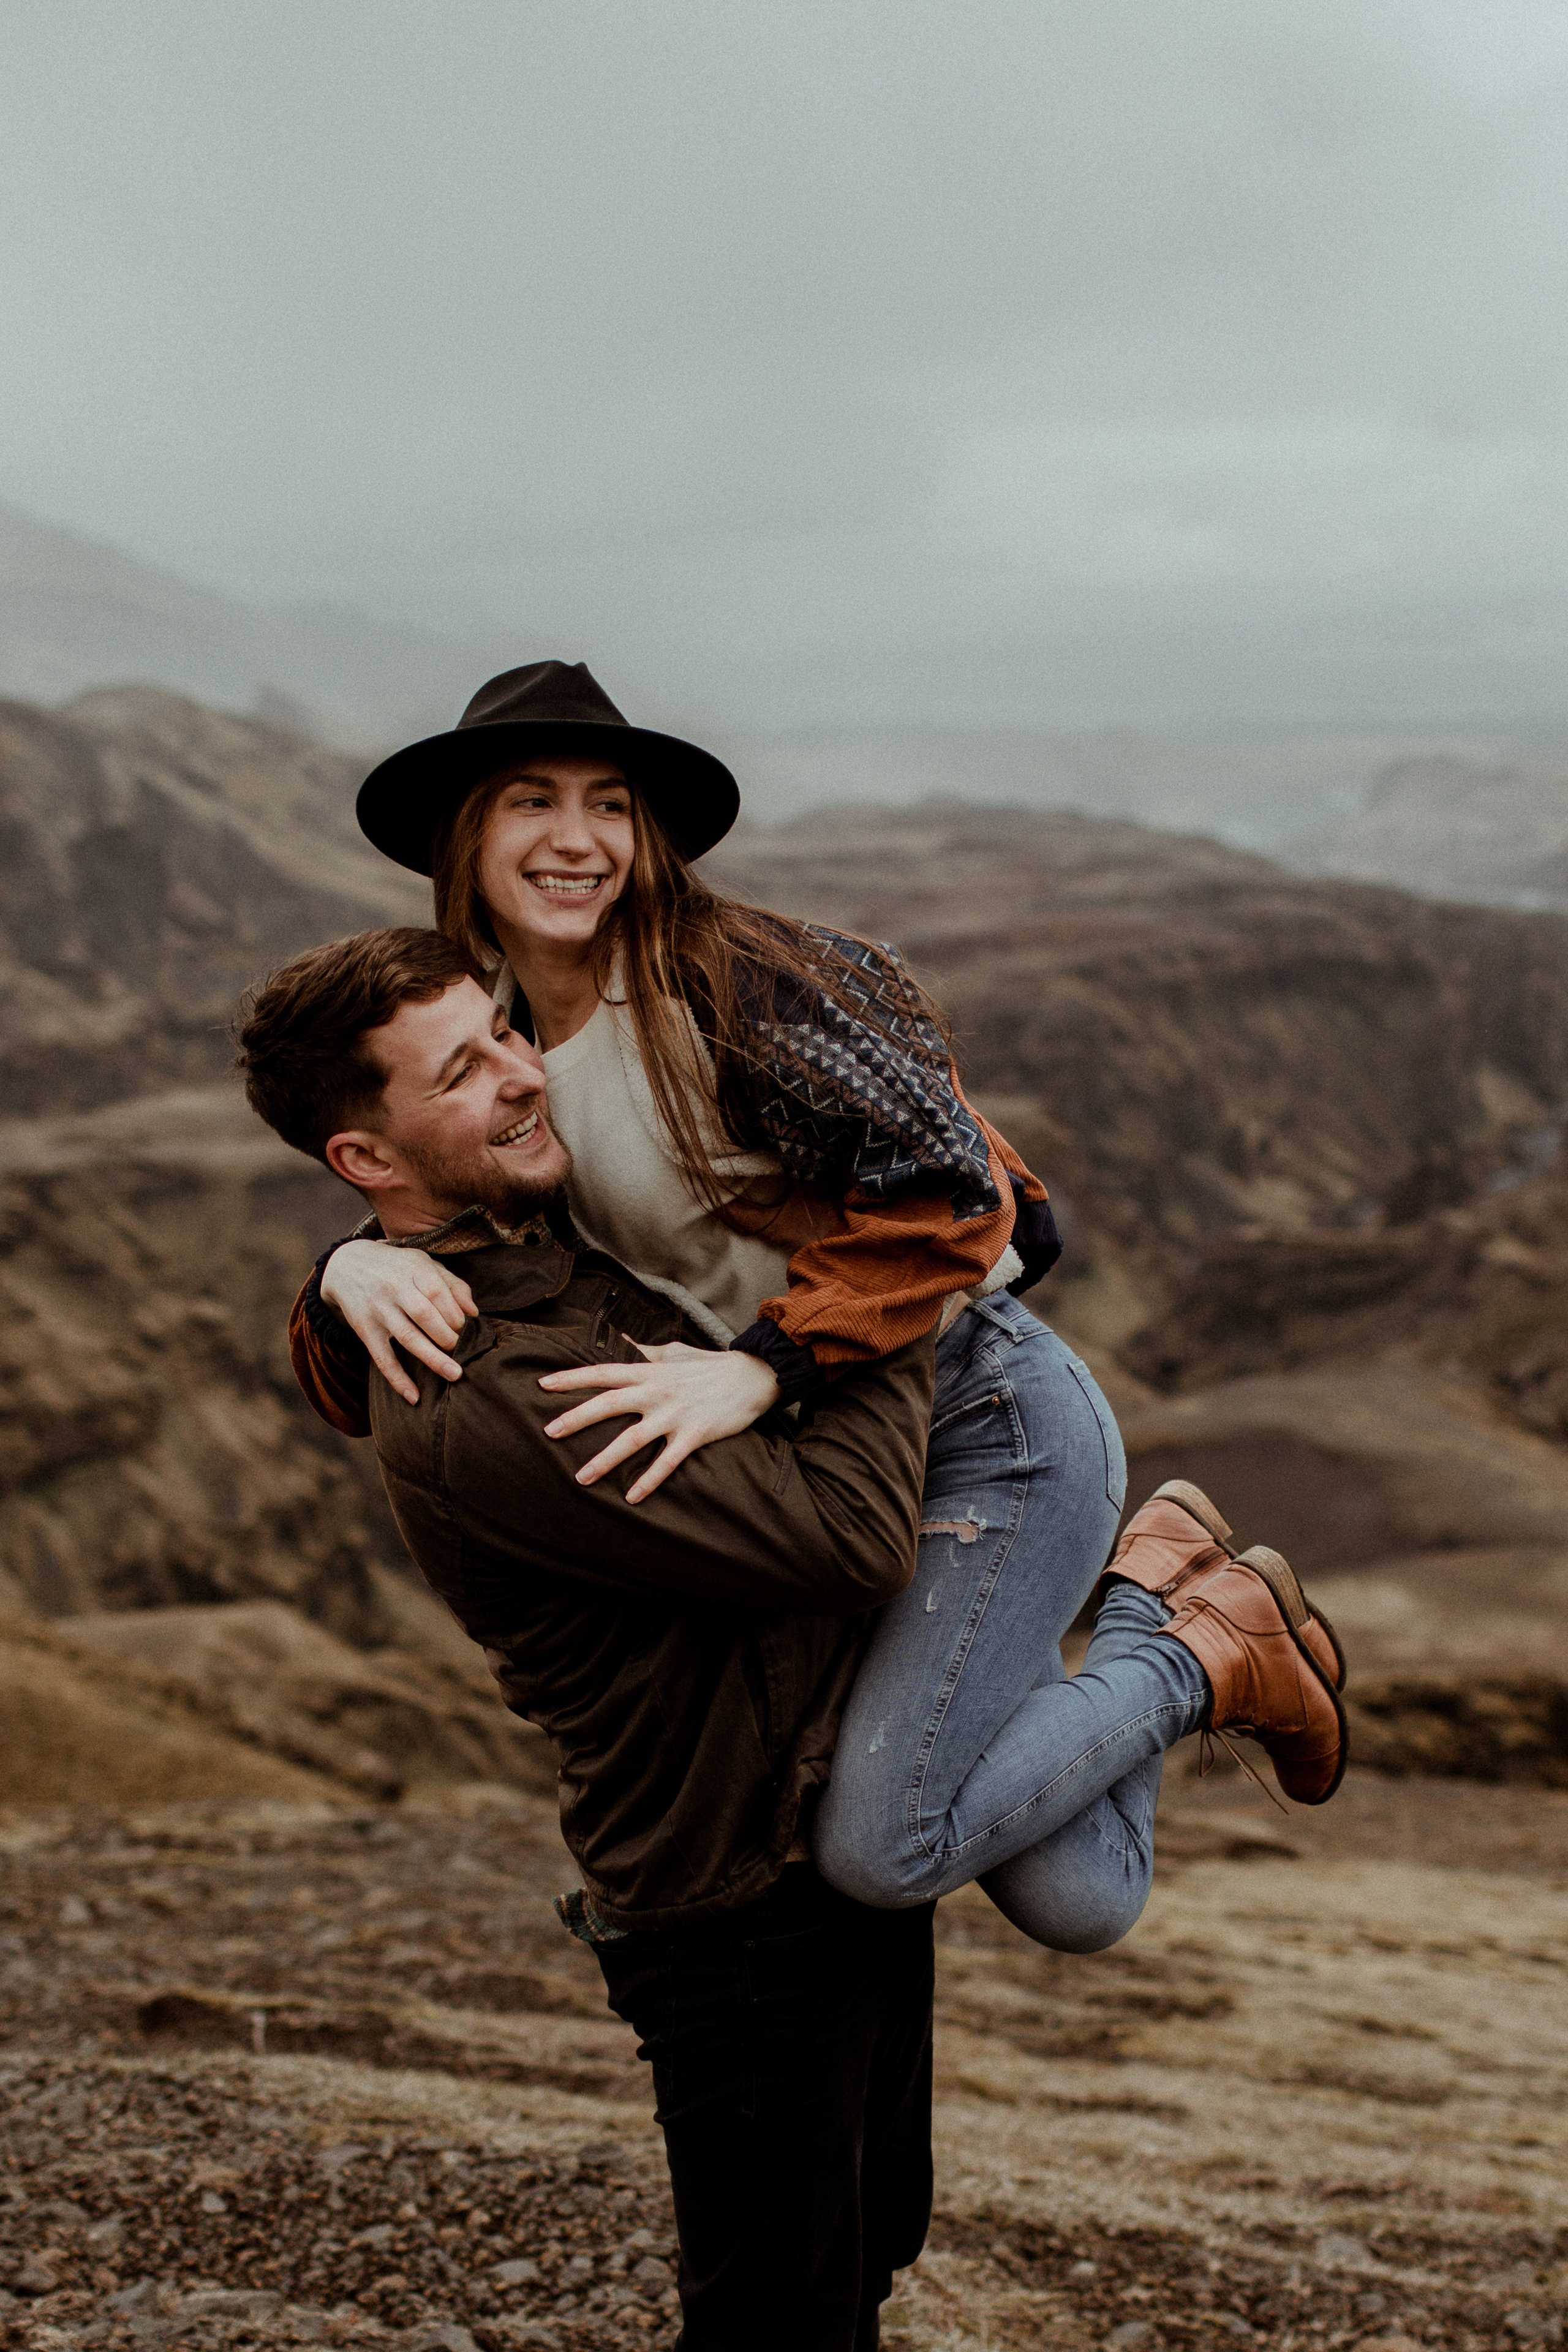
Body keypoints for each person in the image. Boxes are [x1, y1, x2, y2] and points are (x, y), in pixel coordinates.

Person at [241, 925, 1344, 2352]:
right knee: (780, 2311)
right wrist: (838, 1281)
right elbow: (841, 1542)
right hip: (730, 1900)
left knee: (869, 2245)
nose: (524, 1075)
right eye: (462, 1072)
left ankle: (1180, 1633)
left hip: (817, 1828)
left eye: (507, 1032)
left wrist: (343, 1268)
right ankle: (1186, 1643)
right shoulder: (492, 1394)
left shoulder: (540, 1237)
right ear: (367, 1159)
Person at [290, 662, 1349, 1958]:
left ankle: (1208, 1650)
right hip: (835, 1457)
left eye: (610, 804)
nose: (577, 839)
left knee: (882, 1846)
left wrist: (767, 1365)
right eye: (530, 802)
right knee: (1080, 1895)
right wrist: (344, 1276)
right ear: (467, 837)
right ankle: (1156, 1603)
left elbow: (979, 1200)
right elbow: (432, 1191)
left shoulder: (735, 988)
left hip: (984, 1420)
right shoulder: (496, 1034)